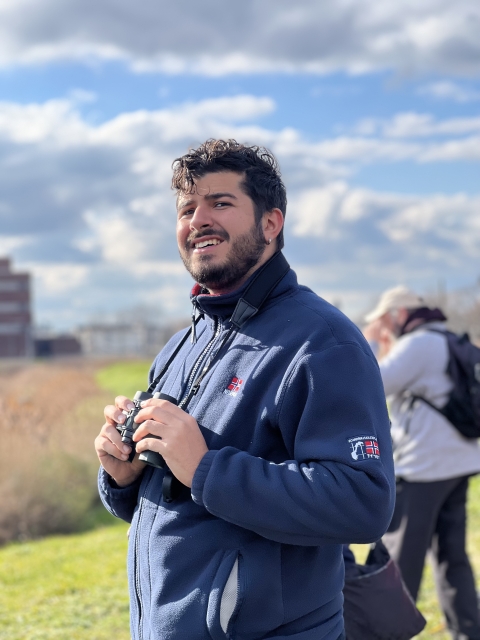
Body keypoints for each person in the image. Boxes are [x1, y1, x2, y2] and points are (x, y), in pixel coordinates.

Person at [95, 139, 395, 640]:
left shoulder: (324, 341)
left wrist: (206, 468)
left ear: (271, 223)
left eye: (221, 202)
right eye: (187, 208)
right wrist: (124, 476)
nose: (198, 220)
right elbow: (177, 498)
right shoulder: (182, 343)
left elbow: (364, 501)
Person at [364, 285, 480, 640]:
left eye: (384, 320)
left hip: (422, 469)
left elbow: (370, 383)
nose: (384, 327)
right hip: (458, 463)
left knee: (399, 562)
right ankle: (467, 631)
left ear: (399, 314)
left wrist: (373, 344)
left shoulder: (418, 344)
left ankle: (387, 633)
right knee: (451, 557)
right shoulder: (446, 338)